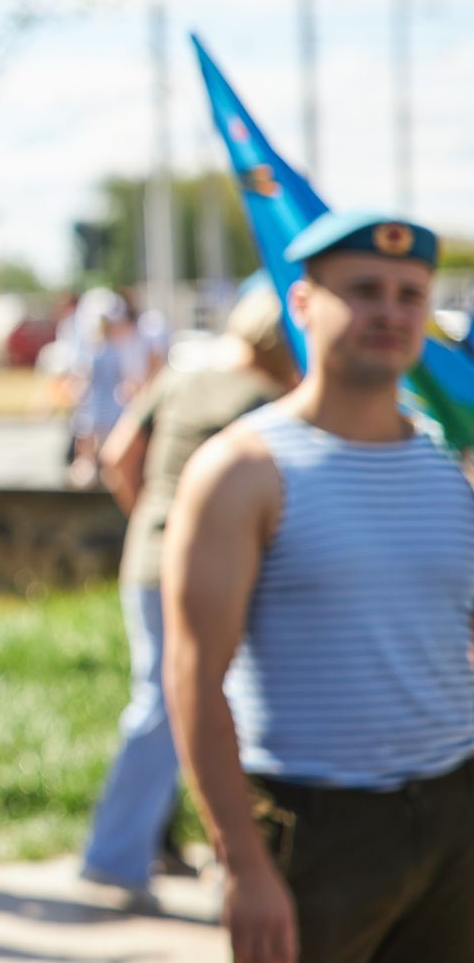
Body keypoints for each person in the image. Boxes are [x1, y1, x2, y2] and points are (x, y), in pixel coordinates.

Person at [165, 211, 474, 963]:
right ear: (302, 304)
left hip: (455, 812)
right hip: (316, 826)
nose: (390, 312)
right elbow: (192, 677)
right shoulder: (243, 469)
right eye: (364, 290)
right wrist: (242, 862)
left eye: (410, 294)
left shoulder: (451, 464)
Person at [79, 282, 299, 904]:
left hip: (146, 556)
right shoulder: (266, 400)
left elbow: (120, 455)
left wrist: (152, 522)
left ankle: (152, 843)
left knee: (170, 698)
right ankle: (115, 854)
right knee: (175, 702)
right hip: (210, 567)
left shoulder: (183, 375)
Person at [67, 292, 146, 486]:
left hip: (108, 397)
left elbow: (125, 374)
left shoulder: (114, 348)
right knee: (88, 431)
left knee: (105, 432)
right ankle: (88, 464)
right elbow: (83, 372)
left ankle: (103, 465)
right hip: (96, 397)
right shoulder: (94, 348)